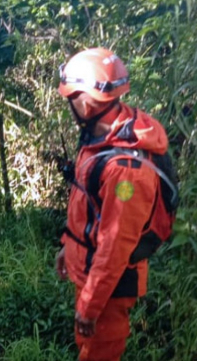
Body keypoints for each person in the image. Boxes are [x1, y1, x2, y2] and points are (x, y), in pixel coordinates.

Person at [54, 48, 171, 360]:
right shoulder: (98, 138)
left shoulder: (125, 170)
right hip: (91, 270)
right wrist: (69, 243)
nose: (69, 105)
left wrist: (90, 306)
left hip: (110, 285)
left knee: (99, 353)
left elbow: (115, 246)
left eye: (71, 98)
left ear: (86, 101)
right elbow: (86, 203)